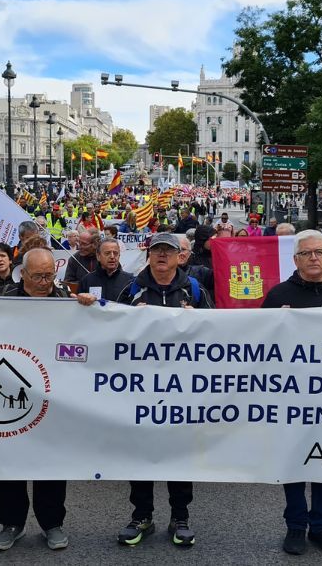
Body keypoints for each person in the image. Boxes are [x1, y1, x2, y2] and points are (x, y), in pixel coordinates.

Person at [111, 232, 211, 547]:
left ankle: (180, 517)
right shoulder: (132, 289)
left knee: (179, 456)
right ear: (149, 256)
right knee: (141, 455)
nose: (163, 256)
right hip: (141, 390)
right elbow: (110, 333)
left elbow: (219, 334)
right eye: (157, 251)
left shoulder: (194, 289)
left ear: (179, 256)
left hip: (182, 391)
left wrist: (200, 321)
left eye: (168, 250)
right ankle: (141, 516)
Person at [262, 230, 322, 557]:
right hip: (292, 399)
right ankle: (295, 526)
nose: (314, 258)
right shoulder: (277, 296)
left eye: (319, 252)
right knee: (294, 464)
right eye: (306, 253)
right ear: (296, 259)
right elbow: (258, 346)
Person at [0, 248, 70, 552]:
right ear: (23, 274)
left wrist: (89, 307)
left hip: (53, 398)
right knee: (9, 463)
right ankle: (11, 523)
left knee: (50, 464)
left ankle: (52, 524)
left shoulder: (65, 300)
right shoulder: (3, 298)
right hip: (12, 397)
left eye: (50, 275)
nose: (45, 281)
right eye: (38, 275)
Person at [76, 238, 134, 303]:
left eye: (115, 253)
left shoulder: (130, 280)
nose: (112, 256)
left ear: (119, 256)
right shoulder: (86, 280)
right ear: (98, 256)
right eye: (107, 253)